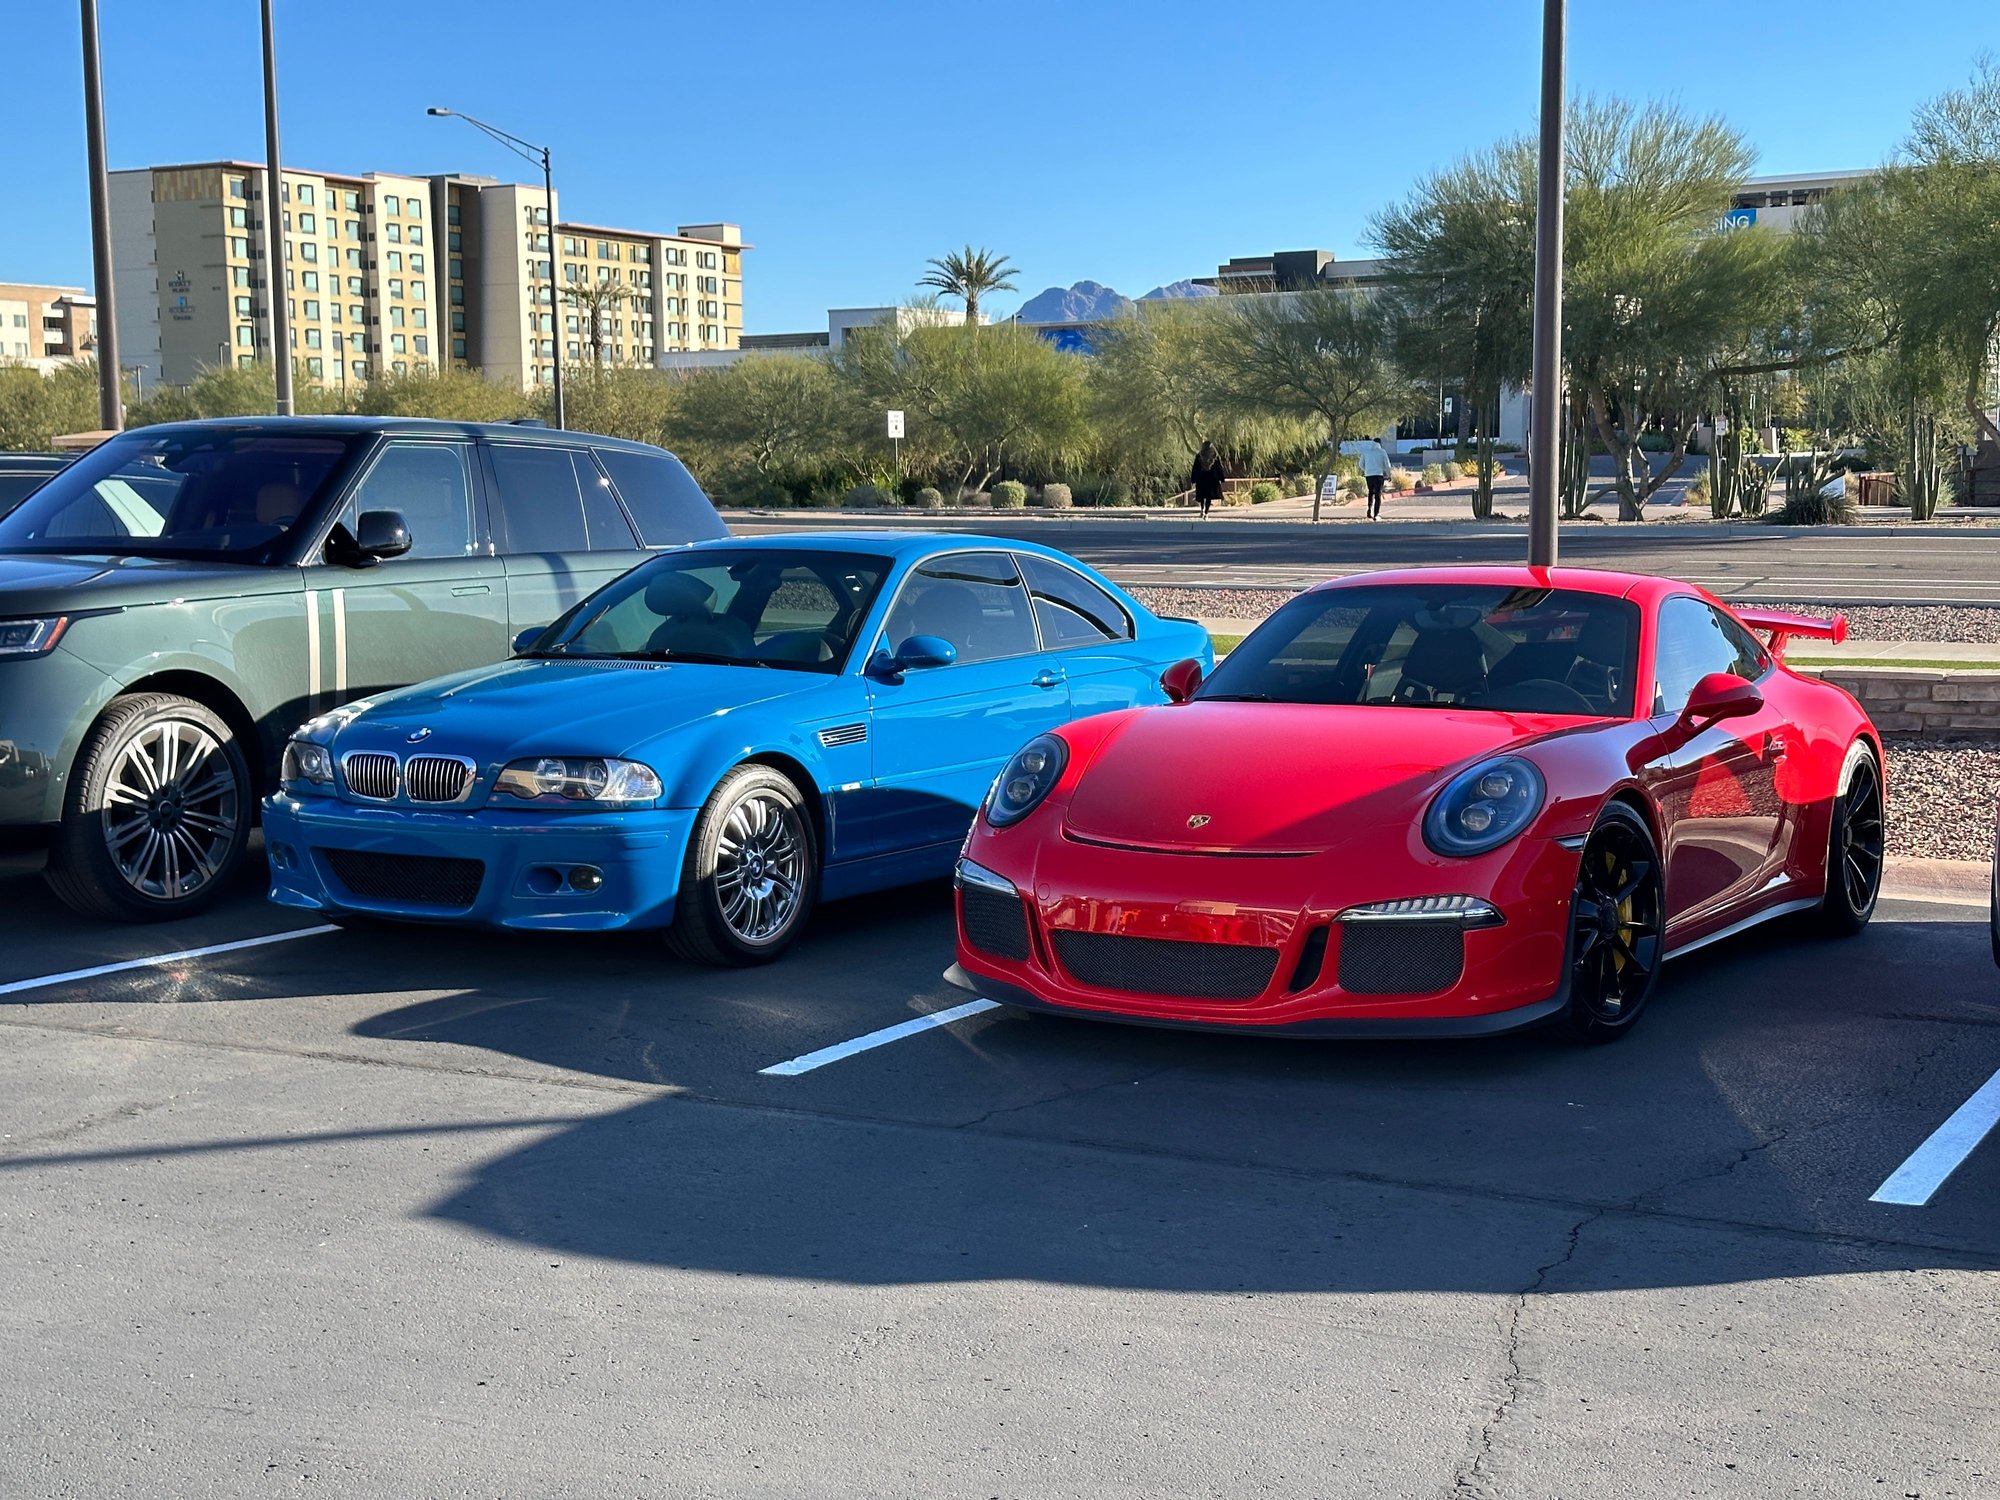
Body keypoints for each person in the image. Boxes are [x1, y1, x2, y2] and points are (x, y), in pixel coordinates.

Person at [1355, 434, 1389, 518]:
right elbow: (1387, 465)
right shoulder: (1382, 452)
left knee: (1371, 492)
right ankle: (1376, 513)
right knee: (1378, 494)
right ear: (1380, 443)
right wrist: (1388, 474)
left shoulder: (1366, 452)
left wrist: (1367, 470)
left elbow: (1360, 464)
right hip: (1378, 475)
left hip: (1368, 475)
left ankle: (1369, 508)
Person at [1191, 441, 1225, 519]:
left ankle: (1202, 510)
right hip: (1211, 479)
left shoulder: (1199, 456)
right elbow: (1219, 468)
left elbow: (1195, 468)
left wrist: (1193, 478)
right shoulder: (1215, 456)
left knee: (1202, 496)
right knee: (1208, 497)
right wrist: (1221, 477)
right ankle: (1206, 512)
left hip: (1201, 479)